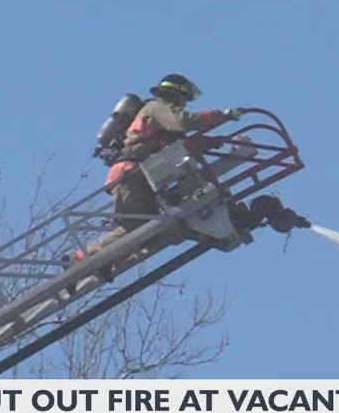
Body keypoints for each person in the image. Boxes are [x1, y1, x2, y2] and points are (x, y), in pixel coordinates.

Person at [64, 73, 244, 276]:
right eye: (184, 100)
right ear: (175, 95)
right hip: (131, 175)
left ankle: (108, 259)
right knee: (136, 227)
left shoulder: (159, 118)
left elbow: (177, 145)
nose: (183, 105)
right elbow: (182, 122)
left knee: (158, 230)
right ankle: (82, 258)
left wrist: (214, 141)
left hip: (138, 176)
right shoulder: (157, 108)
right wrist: (222, 115)